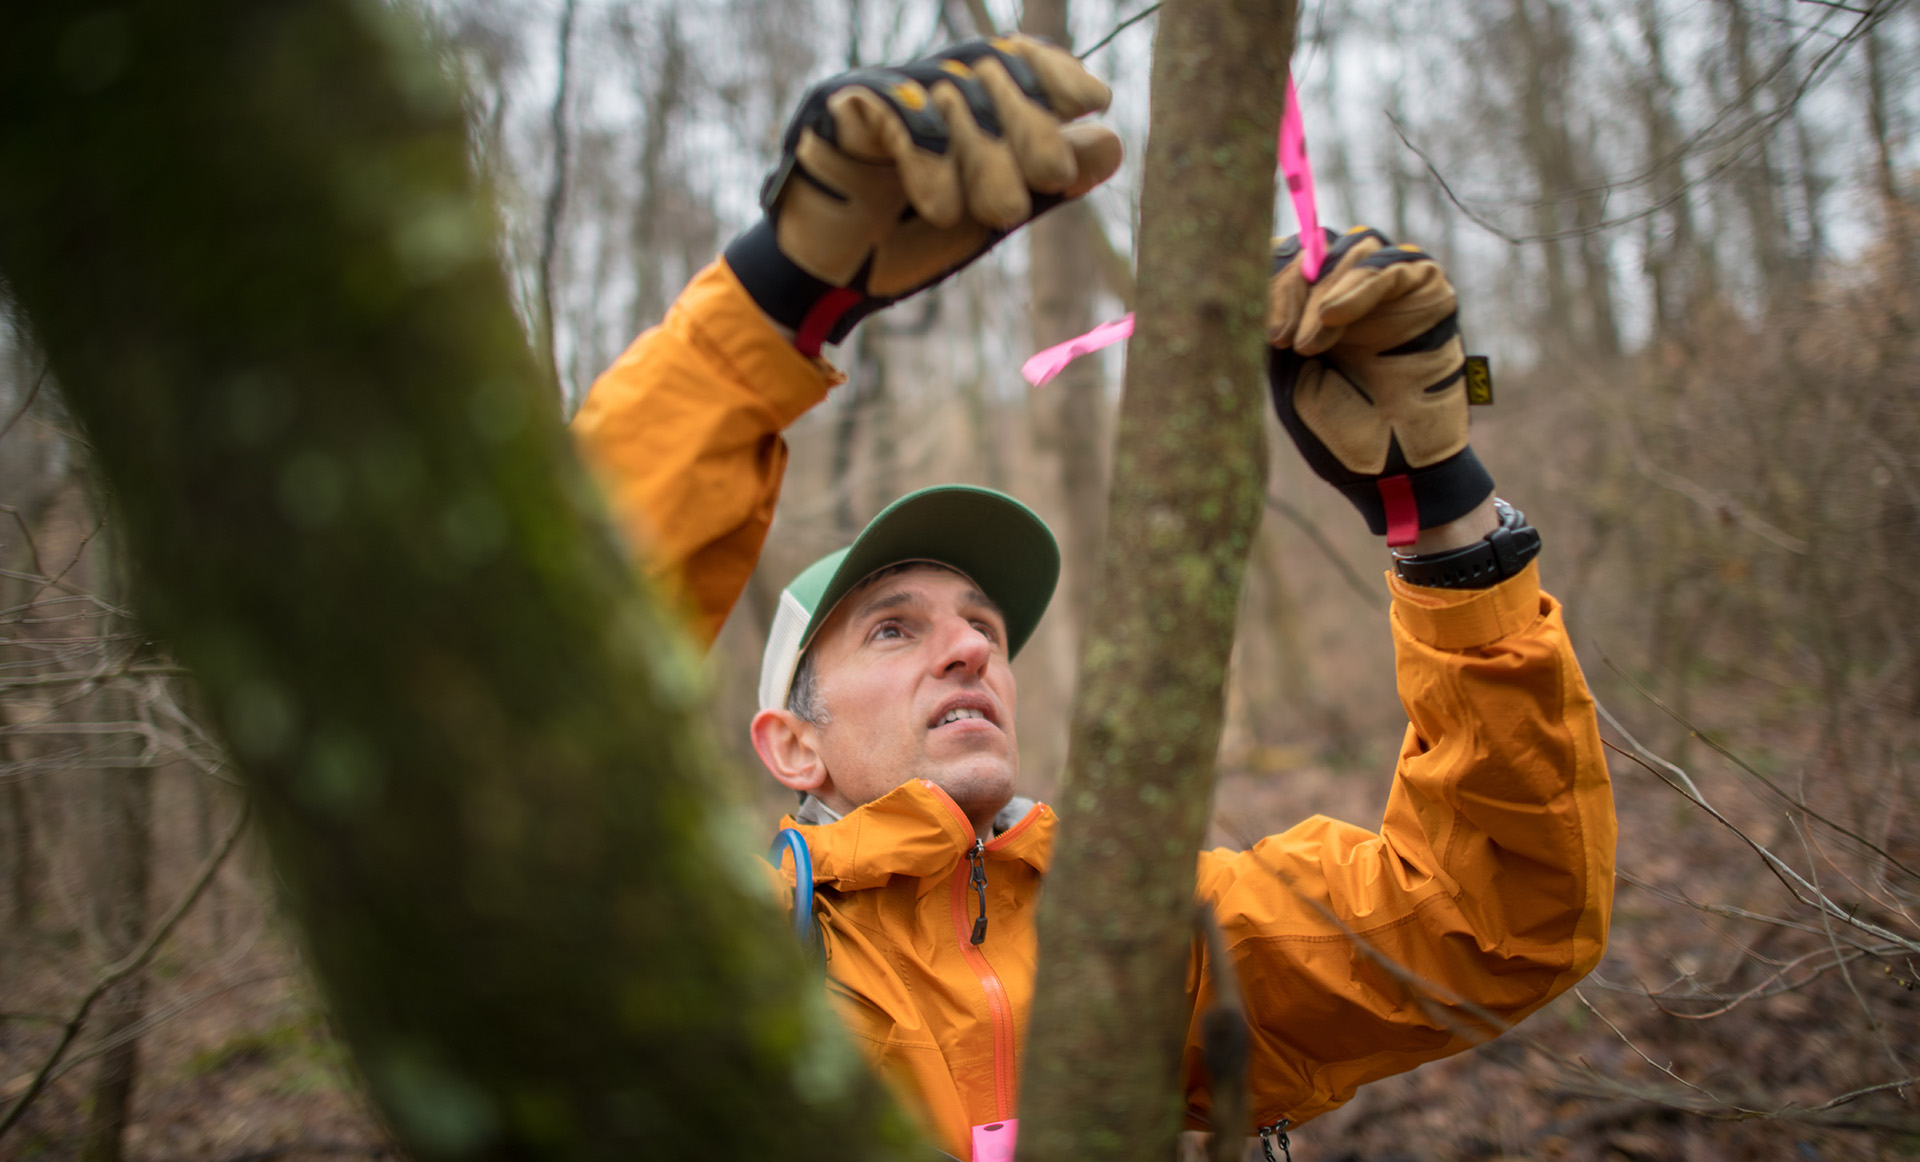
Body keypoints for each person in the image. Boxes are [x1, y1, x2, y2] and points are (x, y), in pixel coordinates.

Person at [573, 36, 1615, 1161]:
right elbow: (523, 698)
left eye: (983, 625)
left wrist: (1443, 518)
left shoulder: (1150, 933)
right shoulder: (714, 959)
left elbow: (1495, 922)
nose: (969, 650)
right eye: (894, 629)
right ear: (790, 744)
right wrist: (768, 307)